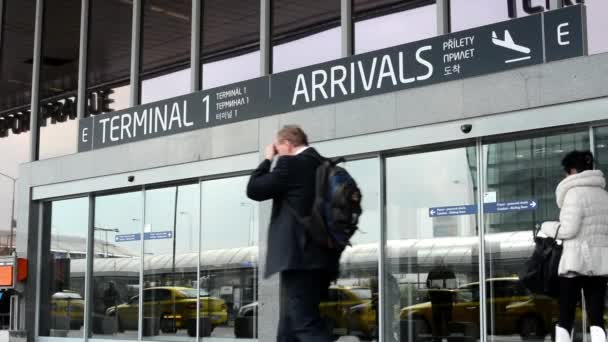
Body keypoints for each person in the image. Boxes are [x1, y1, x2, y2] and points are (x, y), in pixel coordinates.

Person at [247, 125, 340, 342]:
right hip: (323, 259)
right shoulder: (325, 165)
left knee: (305, 324)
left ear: (287, 144)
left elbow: (254, 189)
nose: (278, 152)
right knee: (289, 327)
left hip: (299, 258)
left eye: (279, 148)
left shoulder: (292, 164)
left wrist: (268, 159)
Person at [540, 151, 608, 342]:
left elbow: (568, 230)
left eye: (566, 172)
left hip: (575, 262)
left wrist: (546, 226)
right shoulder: (604, 195)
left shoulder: (574, 193)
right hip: (600, 264)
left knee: (565, 315)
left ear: (572, 170)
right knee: (596, 317)